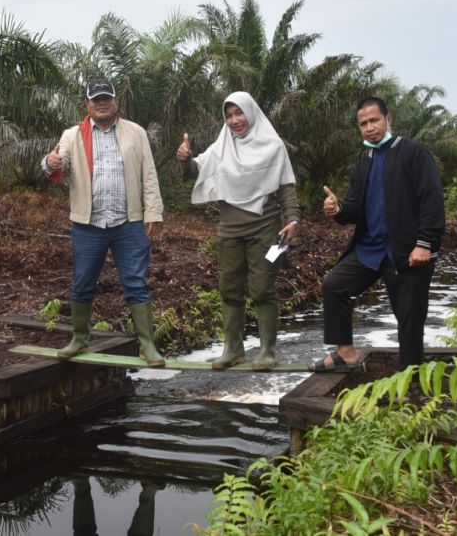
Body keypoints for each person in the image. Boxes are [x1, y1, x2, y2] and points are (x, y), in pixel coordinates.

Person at [311, 96, 445, 372]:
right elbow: (355, 210)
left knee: (409, 317)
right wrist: (337, 209)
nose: (370, 127)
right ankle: (346, 352)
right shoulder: (364, 164)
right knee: (335, 285)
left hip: (407, 251)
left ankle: (411, 379)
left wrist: (424, 244)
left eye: (374, 120)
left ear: (388, 119)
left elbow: (432, 200)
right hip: (370, 250)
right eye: (363, 123)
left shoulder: (413, 153)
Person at [43, 80, 165, 367]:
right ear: (87, 104)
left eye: (106, 99)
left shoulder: (135, 132)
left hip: (128, 221)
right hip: (89, 223)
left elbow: (149, 173)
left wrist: (153, 211)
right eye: (95, 99)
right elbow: (57, 164)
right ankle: (79, 338)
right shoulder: (73, 135)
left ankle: (148, 345)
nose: (101, 104)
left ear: (115, 101)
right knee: (83, 283)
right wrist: (49, 162)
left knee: (136, 282)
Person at [176, 91, 299, 371]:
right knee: (229, 289)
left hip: (267, 233)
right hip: (229, 232)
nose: (234, 120)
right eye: (229, 115)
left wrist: (293, 219)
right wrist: (185, 159)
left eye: (239, 113)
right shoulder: (222, 146)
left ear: (251, 112)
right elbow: (196, 169)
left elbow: (286, 188)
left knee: (263, 289)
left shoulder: (273, 146)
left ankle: (268, 351)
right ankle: (233, 349)